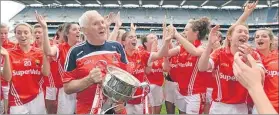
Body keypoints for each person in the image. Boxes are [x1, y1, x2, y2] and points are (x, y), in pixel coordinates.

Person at [62, 10, 128, 114]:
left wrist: (123, 101)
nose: (102, 26)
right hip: (88, 111)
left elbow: (127, 79)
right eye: (95, 24)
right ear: (85, 30)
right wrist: (88, 80)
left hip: (116, 110)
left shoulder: (117, 47)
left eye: (102, 22)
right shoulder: (75, 52)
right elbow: (67, 88)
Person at [122, 21, 172, 114]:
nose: (134, 39)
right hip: (126, 100)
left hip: (140, 99)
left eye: (135, 37)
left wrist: (166, 42)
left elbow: (160, 54)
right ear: (123, 42)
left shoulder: (141, 54)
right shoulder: (120, 56)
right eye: (131, 37)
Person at [164, 17, 210, 114]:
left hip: (195, 94)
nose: (184, 32)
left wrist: (176, 35)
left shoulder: (202, 47)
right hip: (181, 91)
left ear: (196, 32)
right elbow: (166, 53)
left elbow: (194, 51)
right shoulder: (181, 48)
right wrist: (167, 40)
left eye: (186, 29)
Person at [1, 22, 50, 114]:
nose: (22, 35)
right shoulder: (9, 53)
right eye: (19, 33)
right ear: (15, 35)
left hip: (37, 97)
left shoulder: (39, 53)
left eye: (26, 32)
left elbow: (46, 73)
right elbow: (7, 78)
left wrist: (45, 55)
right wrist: (6, 57)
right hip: (17, 99)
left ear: (31, 34)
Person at [35, 12, 78, 114]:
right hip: (66, 90)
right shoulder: (60, 47)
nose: (78, 32)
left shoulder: (83, 48)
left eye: (79, 29)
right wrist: (45, 29)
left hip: (82, 87)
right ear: (67, 33)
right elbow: (48, 51)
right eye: (75, 29)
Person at [253, 28, 278, 113]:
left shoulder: (277, 56)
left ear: (271, 40)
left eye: (264, 36)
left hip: (276, 104)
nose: (260, 38)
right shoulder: (249, 56)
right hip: (257, 105)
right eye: (257, 37)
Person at [141, 33, 165, 114]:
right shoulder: (142, 53)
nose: (155, 39)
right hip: (148, 85)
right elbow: (147, 71)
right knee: (149, 109)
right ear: (145, 43)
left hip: (159, 85)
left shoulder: (159, 53)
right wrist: (153, 50)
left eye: (155, 37)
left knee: (158, 106)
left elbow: (165, 68)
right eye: (151, 38)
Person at [0, 23, 14, 114]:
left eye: (5, 33)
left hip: (8, 80)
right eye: (1, 33)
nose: (3, 35)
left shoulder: (13, 46)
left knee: (8, 106)